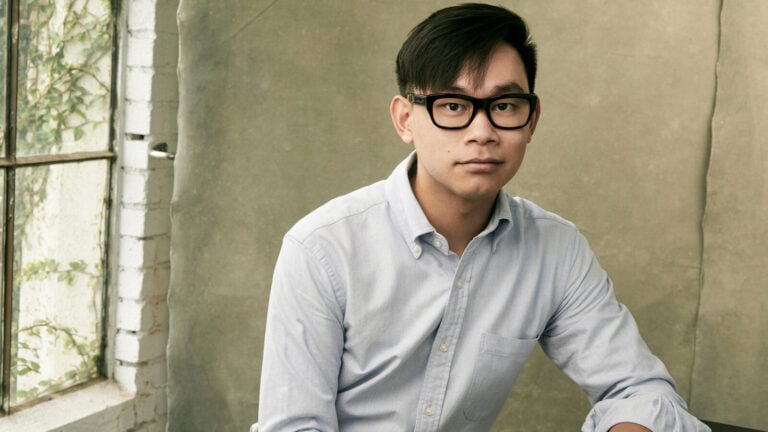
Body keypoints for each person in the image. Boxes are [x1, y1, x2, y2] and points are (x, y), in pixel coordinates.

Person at [255, 3, 711, 431]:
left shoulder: (555, 249)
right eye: (453, 106)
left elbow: (639, 389)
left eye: (504, 106)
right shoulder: (322, 248)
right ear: (405, 119)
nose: (482, 132)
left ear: (531, 121)